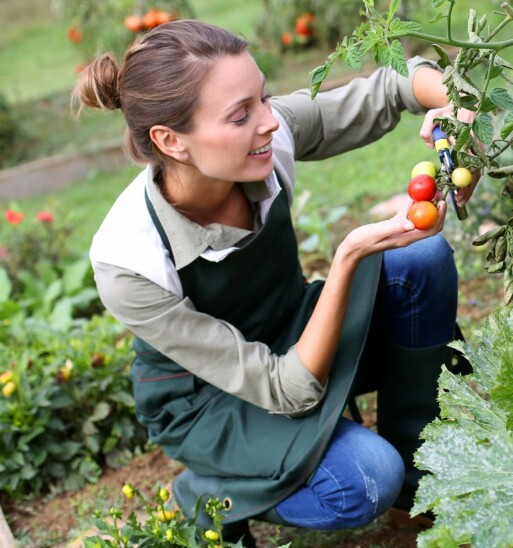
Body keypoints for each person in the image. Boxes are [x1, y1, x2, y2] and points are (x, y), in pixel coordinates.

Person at [74, 19, 476, 546]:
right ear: (170, 141)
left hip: (294, 331)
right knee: (364, 481)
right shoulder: (129, 261)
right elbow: (286, 389)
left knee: (420, 258)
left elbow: (392, 88)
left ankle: (420, 484)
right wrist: (350, 255)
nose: (269, 122)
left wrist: (453, 106)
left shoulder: (262, 141)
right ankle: (210, 491)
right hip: (214, 400)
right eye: (241, 115)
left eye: (262, 98)